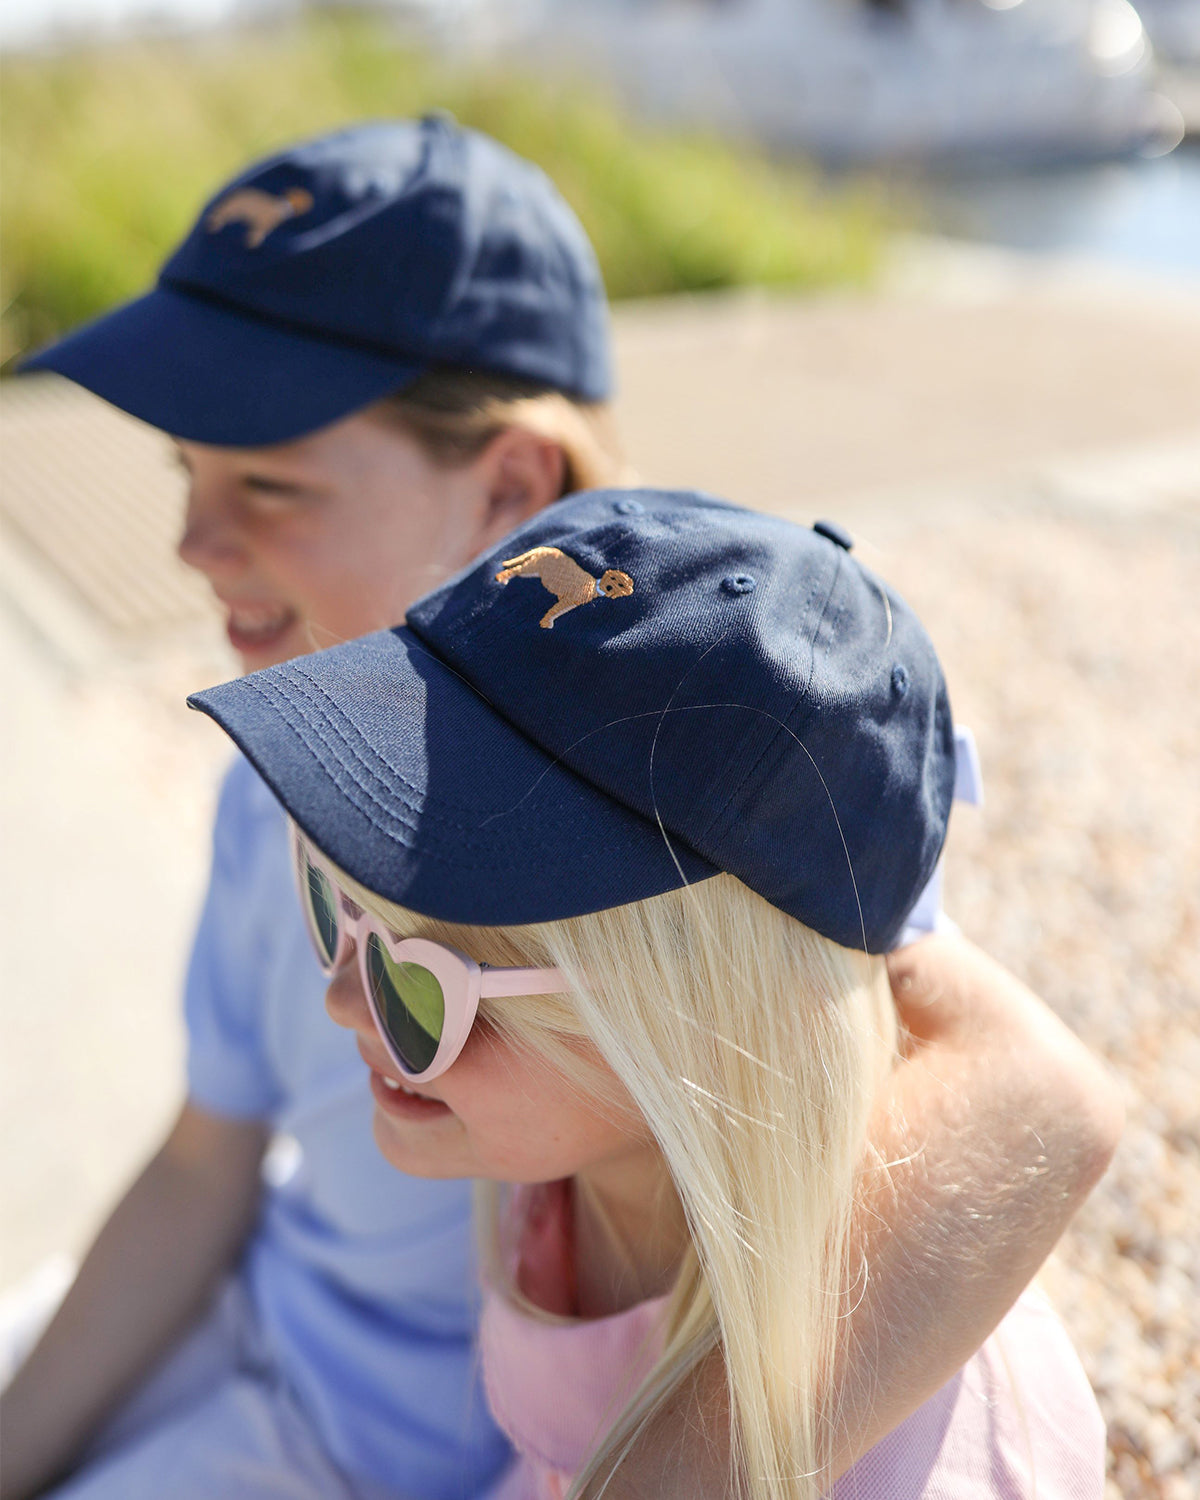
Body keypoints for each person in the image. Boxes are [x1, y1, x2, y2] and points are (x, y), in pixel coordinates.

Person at [1, 120, 1120, 1500]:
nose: (187, 544)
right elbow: (200, 1166)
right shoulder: (282, 776)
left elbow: (1036, 1097)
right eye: (187, 474)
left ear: (514, 480)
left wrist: (674, 1467)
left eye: (269, 481)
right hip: (281, 1332)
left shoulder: (727, 751)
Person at [187, 487, 1110, 1498]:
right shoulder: (564, 1180)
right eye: (336, 910)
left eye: (427, 987)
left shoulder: (922, 1460)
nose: (344, 1004)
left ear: (697, 1022)